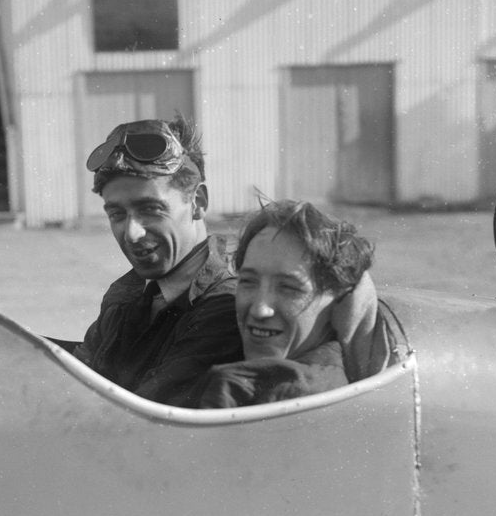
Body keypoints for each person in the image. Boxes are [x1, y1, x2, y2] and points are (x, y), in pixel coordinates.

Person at [70, 115, 243, 407]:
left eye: (151, 209)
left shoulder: (224, 305)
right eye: (117, 214)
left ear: (198, 202)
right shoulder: (130, 290)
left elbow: (141, 419)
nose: (132, 233)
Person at [198, 200, 389, 408]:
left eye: (289, 288)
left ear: (339, 302)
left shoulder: (237, 390)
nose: (259, 309)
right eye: (248, 282)